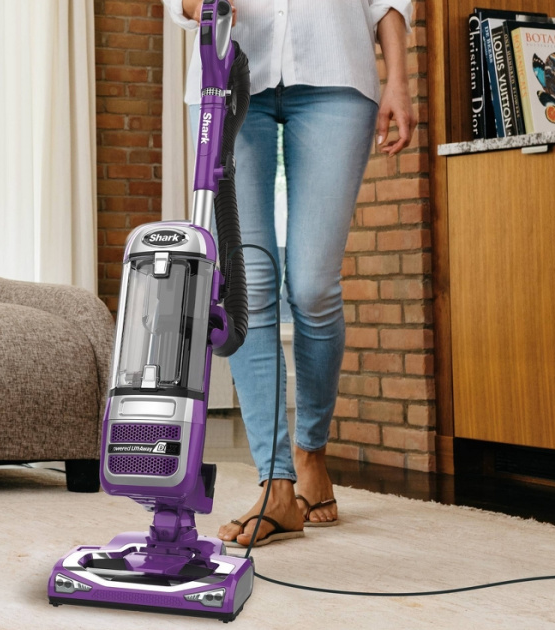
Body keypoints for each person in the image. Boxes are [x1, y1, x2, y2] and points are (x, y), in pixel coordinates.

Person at [167, 0, 417, 547]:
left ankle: (311, 451)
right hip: (228, 73)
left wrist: (399, 79)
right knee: (249, 283)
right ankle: (276, 482)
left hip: (337, 76)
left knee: (312, 285)